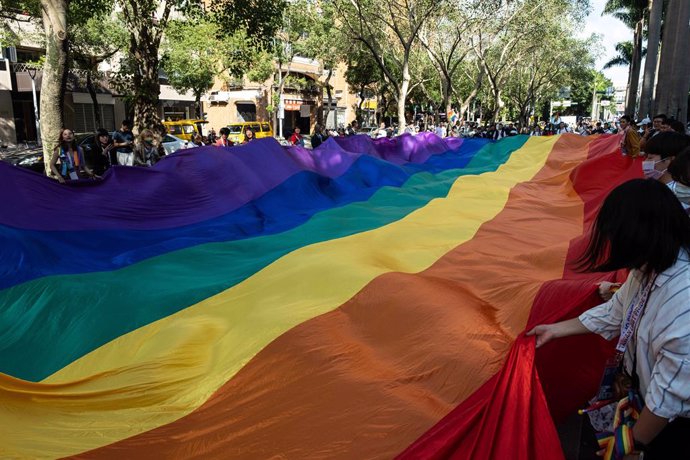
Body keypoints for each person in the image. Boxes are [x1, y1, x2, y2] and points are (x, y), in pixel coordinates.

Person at [527, 179, 690, 460]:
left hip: (671, 426)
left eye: (618, 236)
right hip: (644, 402)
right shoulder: (647, 269)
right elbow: (616, 311)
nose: (613, 245)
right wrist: (554, 330)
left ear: (641, 235)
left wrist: (631, 445)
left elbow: (668, 398)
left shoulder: (683, 298)